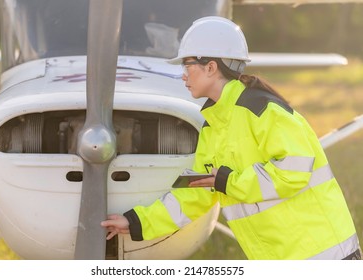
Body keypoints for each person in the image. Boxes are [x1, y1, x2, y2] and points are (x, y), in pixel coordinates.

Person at [101, 16, 361, 260]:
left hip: (324, 257)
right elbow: (195, 193)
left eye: (187, 65)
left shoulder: (263, 110)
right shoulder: (213, 126)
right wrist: (135, 222)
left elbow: (291, 172)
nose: (182, 75)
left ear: (211, 67)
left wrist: (227, 181)